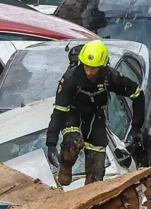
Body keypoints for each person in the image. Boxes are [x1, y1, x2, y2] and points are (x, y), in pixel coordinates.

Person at [45, 41, 145, 185]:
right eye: (86, 66)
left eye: (94, 68)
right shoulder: (70, 79)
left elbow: (137, 94)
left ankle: (91, 196)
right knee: (73, 141)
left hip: (95, 117)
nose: (89, 72)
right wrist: (51, 144)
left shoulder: (110, 77)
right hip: (72, 115)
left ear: (102, 66)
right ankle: (66, 165)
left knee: (97, 170)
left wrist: (136, 127)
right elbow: (59, 112)